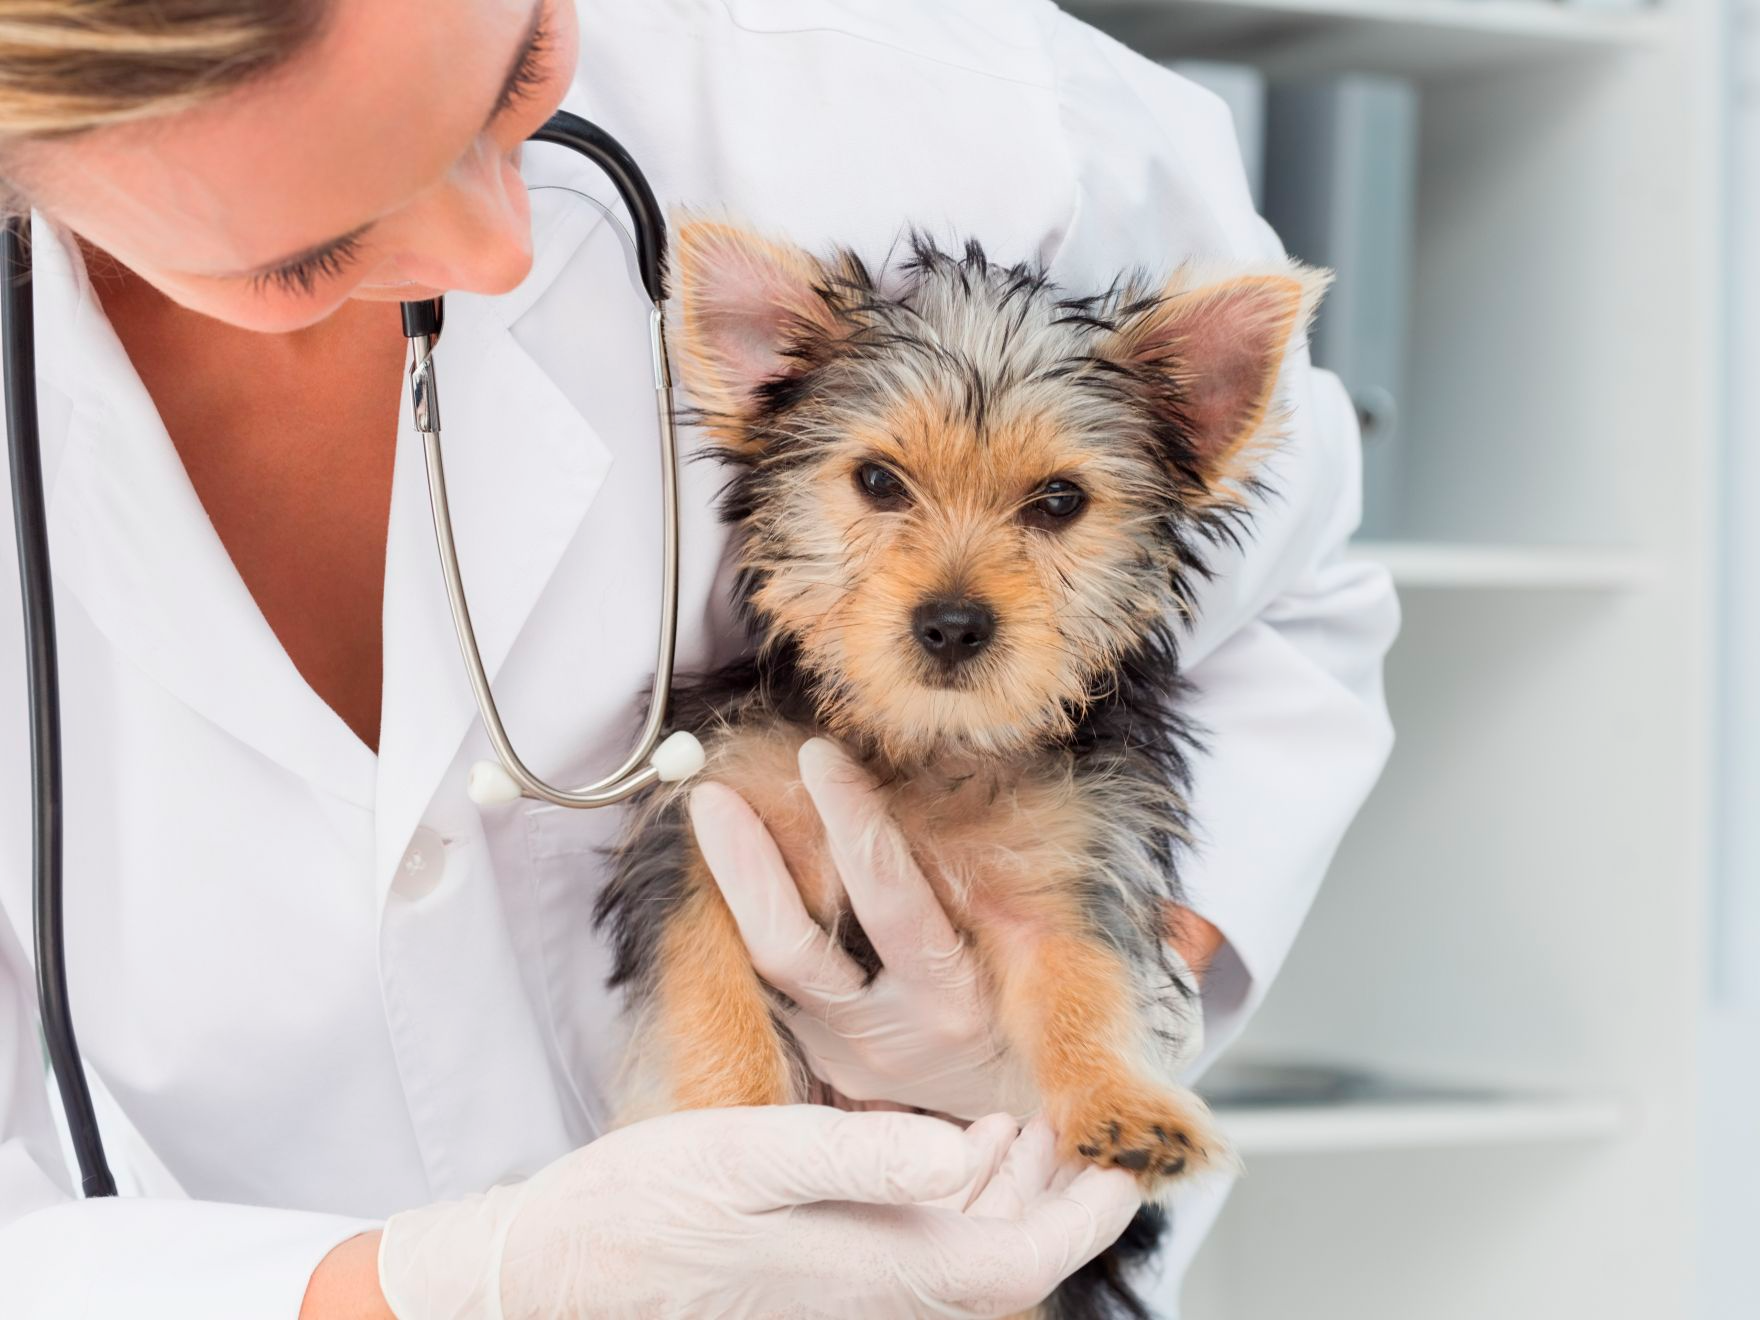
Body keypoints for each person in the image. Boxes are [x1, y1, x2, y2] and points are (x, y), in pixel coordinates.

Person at [0, 1, 1398, 1316]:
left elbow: (1299, 598)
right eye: (305, 254)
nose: (503, 253)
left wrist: (1059, 987)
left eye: (522, 68)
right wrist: (455, 1285)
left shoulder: (933, 86)